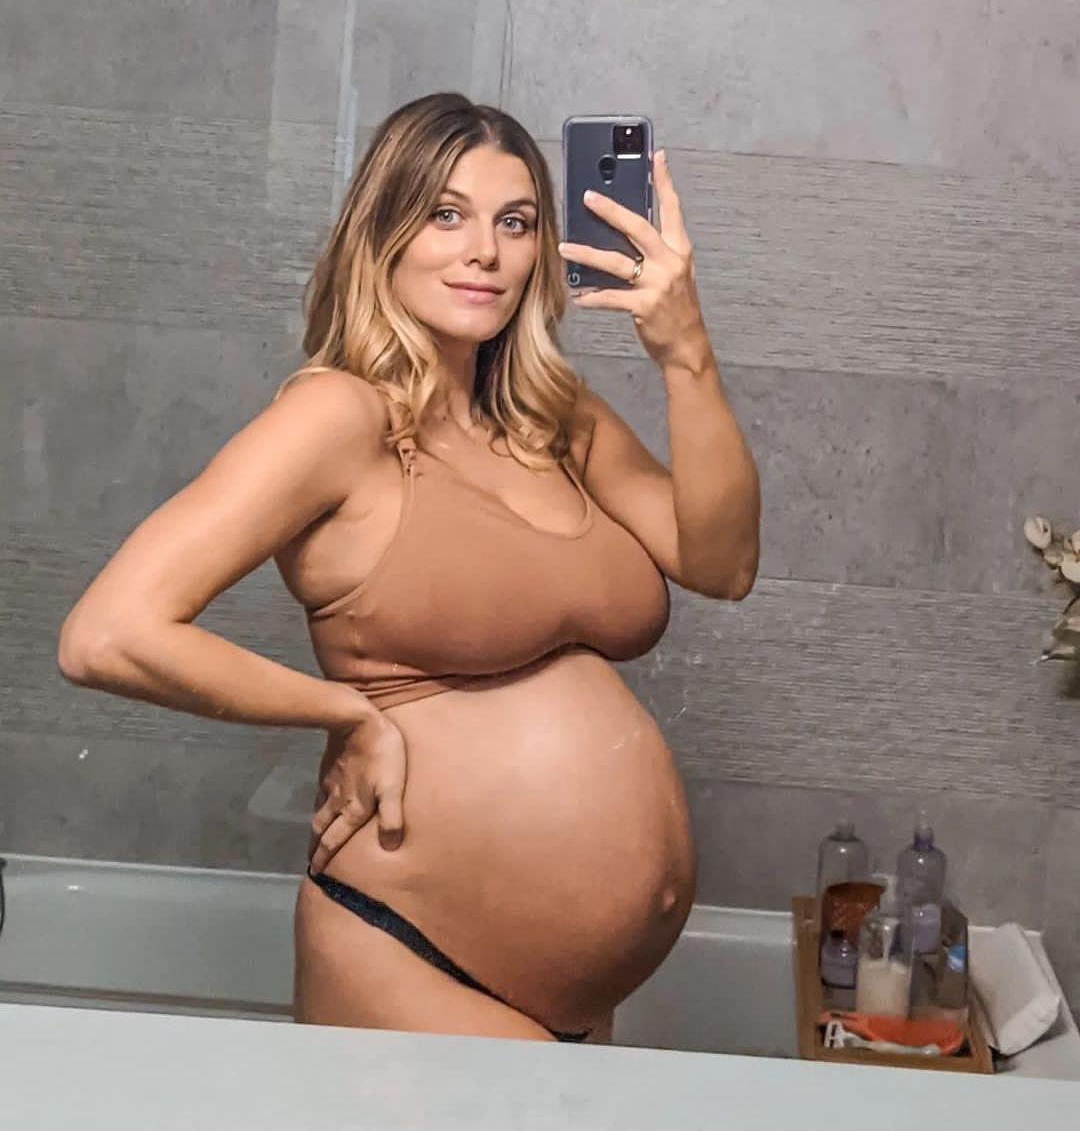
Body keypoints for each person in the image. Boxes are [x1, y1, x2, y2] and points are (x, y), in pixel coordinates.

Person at [58, 92, 760, 1045]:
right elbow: (107, 634)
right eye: (446, 214)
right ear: (383, 231)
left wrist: (686, 353)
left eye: (515, 222)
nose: (485, 251)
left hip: (576, 999)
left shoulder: (555, 417)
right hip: (410, 956)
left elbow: (724, 564)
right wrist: (342, 710)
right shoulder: (338, 418)